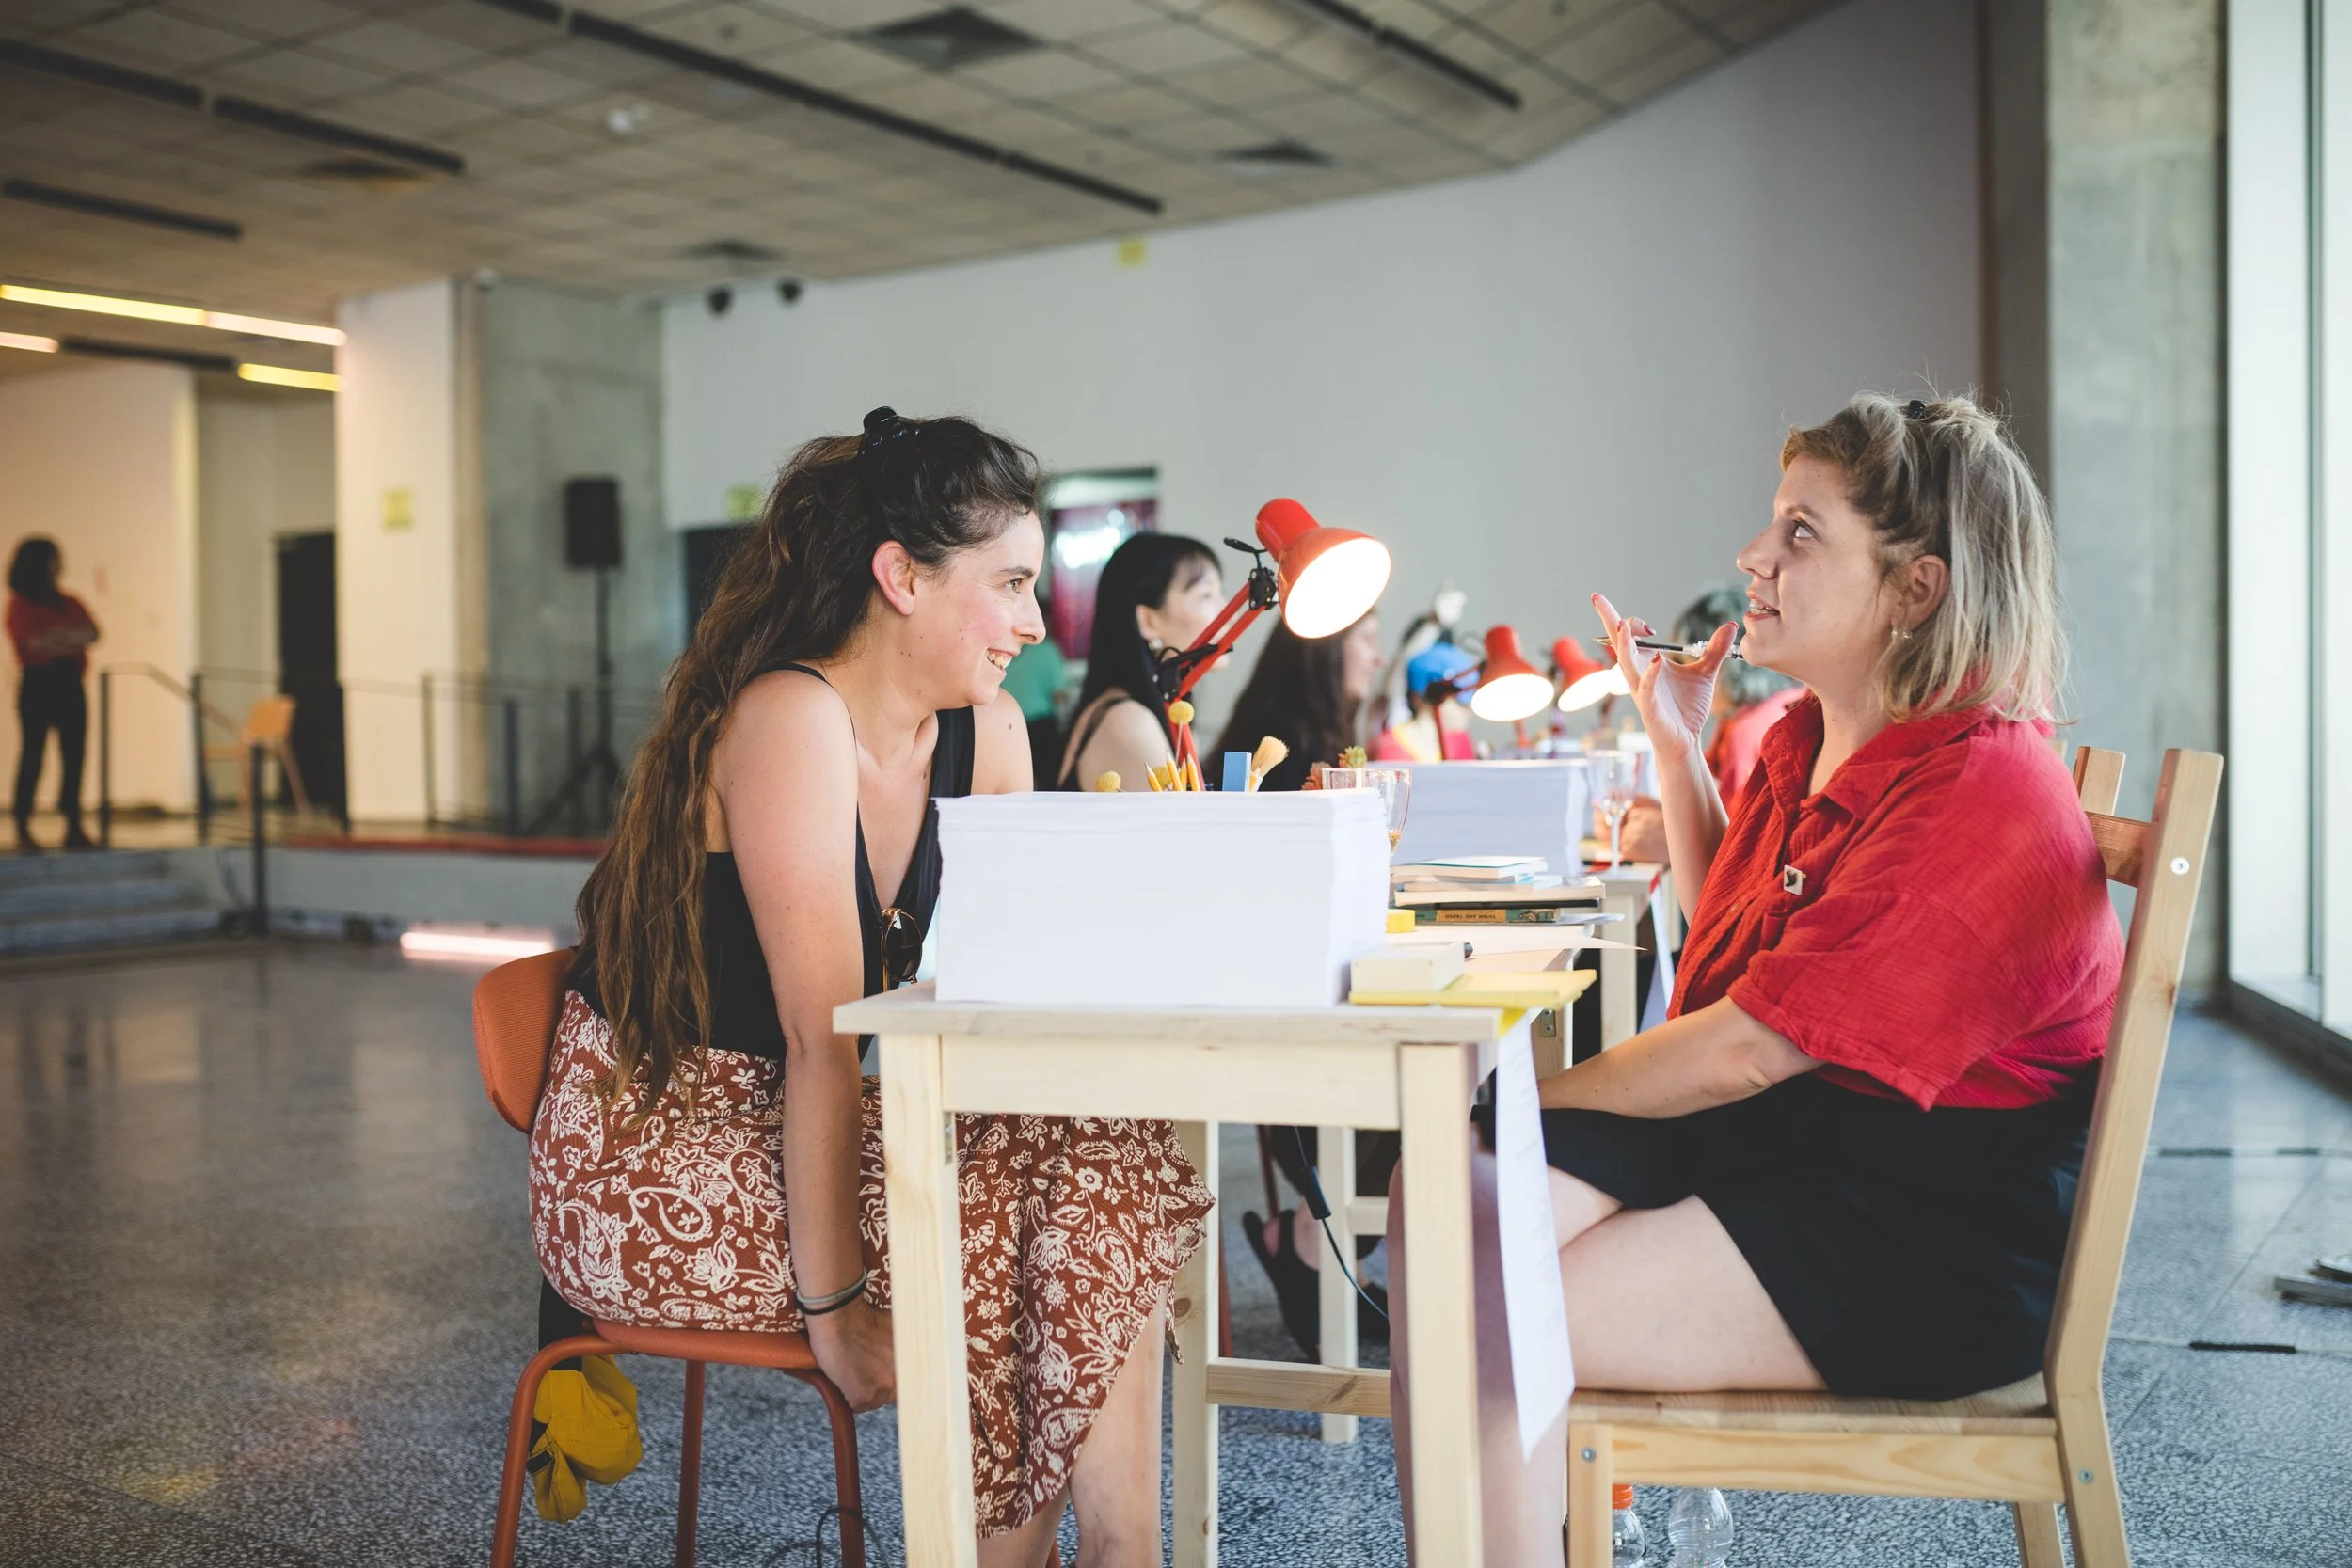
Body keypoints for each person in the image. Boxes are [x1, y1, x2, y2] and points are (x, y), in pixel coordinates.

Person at [1386, 393, 2122, 1562]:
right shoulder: (1806, 736)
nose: (1752, 557)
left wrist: (1522, 1101)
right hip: (1807, 1143)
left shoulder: (1980, 791)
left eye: (1800, 533)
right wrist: (1678, 752)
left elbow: (1741, 1045)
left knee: (1474, 1290)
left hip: (1922, 1231)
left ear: (1915, 587)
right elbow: (1732, 951)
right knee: (1455, 1200)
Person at [533, 409, 1212, 1565]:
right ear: (901, 575)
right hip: (656, 1139)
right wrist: (836, 1311)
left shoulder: (989, 732)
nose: (1036, 622)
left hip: (801, 1121)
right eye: (1007, 583)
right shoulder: (790, 715)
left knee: (1103, 1149)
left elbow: (1002, 1010)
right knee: (1010, 1203)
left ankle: (1121, 1551)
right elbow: (819, 1040)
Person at [1212, 612, 1391, 1354]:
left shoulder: (1316, 735)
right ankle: (1317, 1246)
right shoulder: (1283, 752)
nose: (1378, 653)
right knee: (1439, 1091)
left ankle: (1313, 1244)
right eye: (1366, 635)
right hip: (1289, 1031)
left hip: (1310, 1002)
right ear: (1323, 651)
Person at [1056, 531, 1224, 790]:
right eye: (1207, 596)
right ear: (1148, 620)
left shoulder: (1166, 710)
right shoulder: (1130, 722)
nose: (1227, 612)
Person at [1212, 612, 1382, 791]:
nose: (1379, 659)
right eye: (1368, 640)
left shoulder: (1326, 735)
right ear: (1325, 648)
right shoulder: (1291, 743)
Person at [8, 537, 100, 852]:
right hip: (38, 683)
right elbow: (31, 642)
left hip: (69, 682)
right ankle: (22, 824)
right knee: (33, 754)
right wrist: (68, 639)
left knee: (74, 755)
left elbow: (93, 633)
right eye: (51, 559)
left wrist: (56, 639)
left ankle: (73, 822)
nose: (57, 565)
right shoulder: (21, 604)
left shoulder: (69, 601)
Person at [1677, 582, 1802, 808]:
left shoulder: (1751, 728)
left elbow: (1734, 830)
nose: (1681, 677)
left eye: (1684, 662)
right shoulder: (1782, 706)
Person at [1369, 641, 1478, 762]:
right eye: (1459, 701)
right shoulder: (1388, 750)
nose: (1468, 711)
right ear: (1422, 697)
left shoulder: (1459, 741)